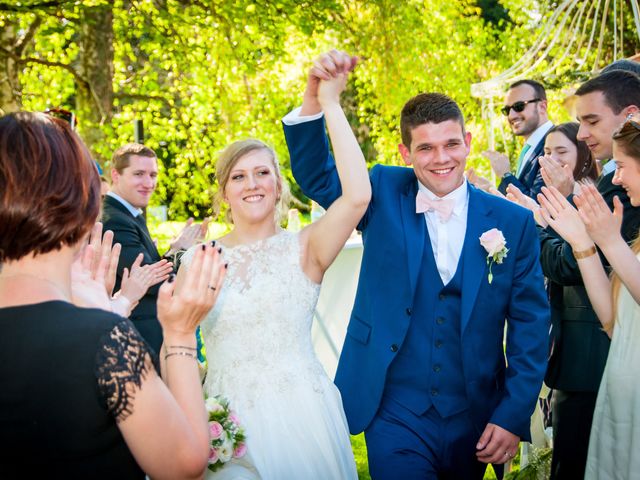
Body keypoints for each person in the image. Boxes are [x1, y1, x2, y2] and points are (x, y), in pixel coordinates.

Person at [283, 50, 549, 479]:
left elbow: (530, 326)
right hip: (394, 408)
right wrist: (316, 100)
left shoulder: (512, 223)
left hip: (475, 412)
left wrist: (513, 413)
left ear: (467, 141)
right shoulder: (380, 191)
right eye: (425, 148)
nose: (441, 158)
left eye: (450, 144)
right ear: (405, 151)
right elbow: (318, 175)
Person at [0, 111, 226, 478]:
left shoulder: (100, 326)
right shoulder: (105, 340)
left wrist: (109, 309)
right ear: (84, 207)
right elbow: (185, 465)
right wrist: (181, 335)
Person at [179, 68, 368, 479]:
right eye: (239, 176)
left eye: (263, 173)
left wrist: (330, 105)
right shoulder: (197, 260)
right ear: (224, 192)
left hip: (302, 414)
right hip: (226, 420)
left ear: (279, 186)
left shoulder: (306, 247)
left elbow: (357, 196)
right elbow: (180, 348)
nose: (252, 184)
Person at [514, 69, 640, 479]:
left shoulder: (619, 193)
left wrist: (541, 223)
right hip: (612, 362)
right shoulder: (614, 185)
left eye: (591, 120)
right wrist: (578, 231)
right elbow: (611, 316)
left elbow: (566, 264)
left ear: (630, 116)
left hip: (601, 365)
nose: (583, 132)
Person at [102, 143, 208, 353]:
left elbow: (147, 270)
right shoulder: (115, 220)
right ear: (116, 174)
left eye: (153, 175)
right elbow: (152, 281)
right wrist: (181, 254)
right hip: (137, 340)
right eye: (139, 174)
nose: (148, 183)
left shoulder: (128, 214)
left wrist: (173, 249)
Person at [469, 80, 553, 199]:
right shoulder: (531, 146)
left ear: (542, 107)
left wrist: (506, 174)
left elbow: (536, 206)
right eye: (507, 110)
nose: (511, 116)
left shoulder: (556, 145)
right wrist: (489, 190)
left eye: (519, 106)